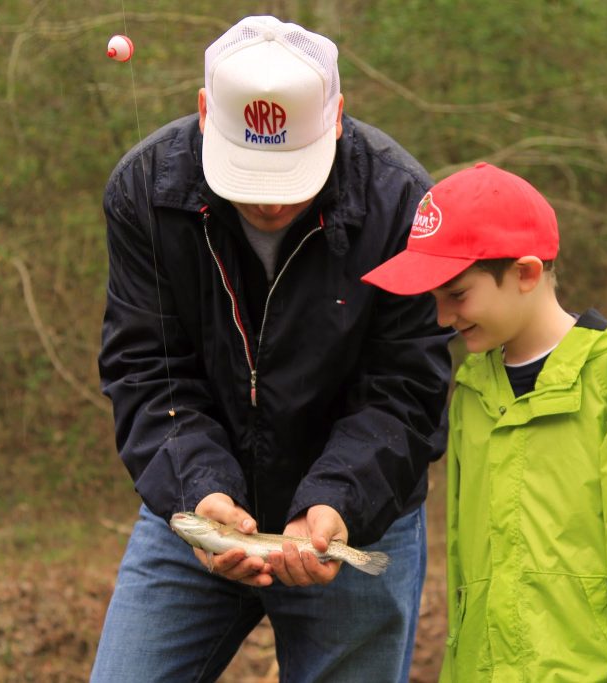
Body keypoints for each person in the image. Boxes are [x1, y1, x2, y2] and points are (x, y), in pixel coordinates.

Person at [90, 16, 452, 683]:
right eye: (250, 176)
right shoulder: (145, 189)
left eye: (289, 176)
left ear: (336, 118)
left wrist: (338, 500)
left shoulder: (402, 203)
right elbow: (147, 369)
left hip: (355, 519)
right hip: (199, 511)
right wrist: (201, 490)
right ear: (206, 113)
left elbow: (407, 390)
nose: (270, 205)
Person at [362, 162, 607, 681]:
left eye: (457, 295)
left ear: (525, 273)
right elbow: (467, 578)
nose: (442, 319)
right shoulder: (473, 390)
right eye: (434, 300)